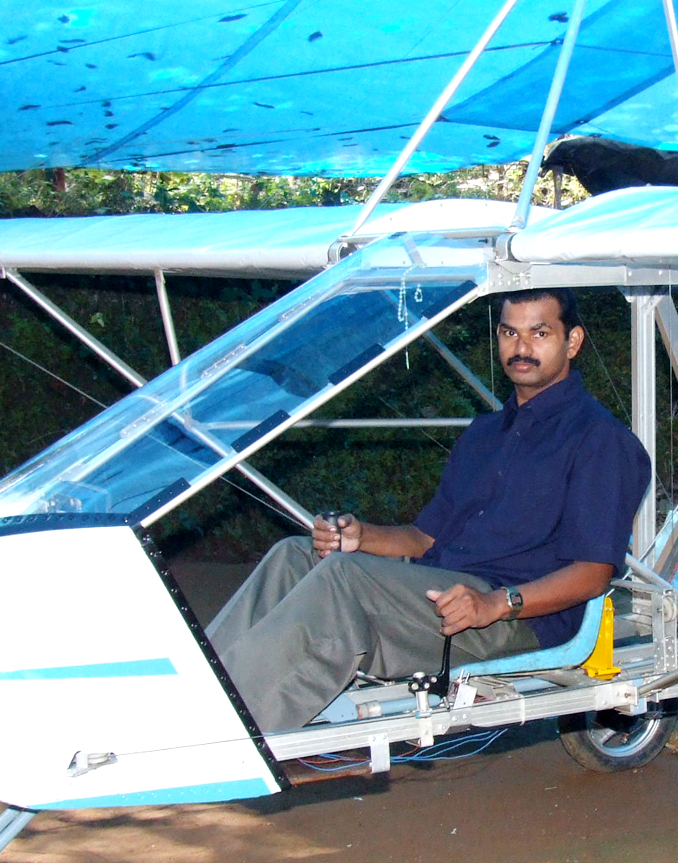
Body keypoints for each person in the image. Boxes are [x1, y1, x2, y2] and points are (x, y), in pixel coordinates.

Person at [206, 287, 652, 734]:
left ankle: (225, 731)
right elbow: (426, 538)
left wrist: (496, 604)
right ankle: (200, 689)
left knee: (344, 579)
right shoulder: (485, 434)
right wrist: (361, 537)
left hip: (515, 619)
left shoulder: (600, 442)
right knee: (295, 555)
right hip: (443, 594)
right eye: (509, 333)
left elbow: (594, 573)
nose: (521, 348)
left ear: (572, 342)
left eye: (539, 333)